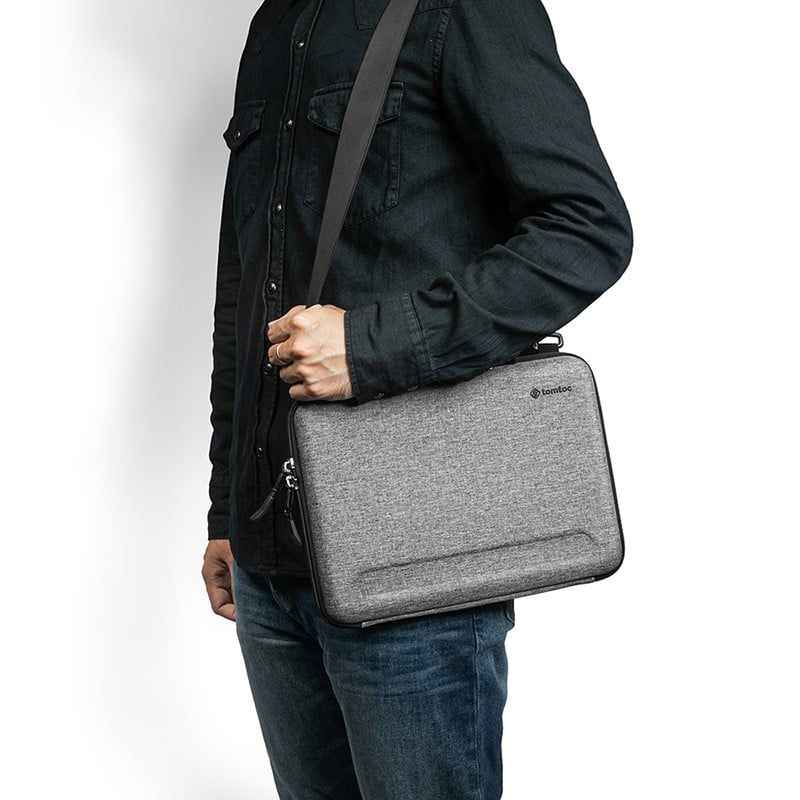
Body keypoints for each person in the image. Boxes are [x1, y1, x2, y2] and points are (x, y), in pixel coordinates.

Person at [201, 0, 632, 797]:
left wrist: (371, 346)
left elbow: (587, 229)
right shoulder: (273, 24)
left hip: (410, 565)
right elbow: (245, 293)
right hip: (269, 566)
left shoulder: (466, 9)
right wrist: (226, 508)